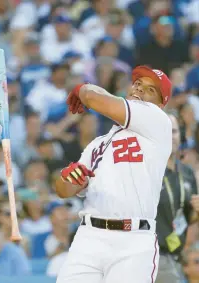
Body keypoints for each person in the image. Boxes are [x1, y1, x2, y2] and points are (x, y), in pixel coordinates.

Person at [55, 65, 173, 282]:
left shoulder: (157, 121)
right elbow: (64, 191)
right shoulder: (97, 144)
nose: (139, 90)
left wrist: (83, 88)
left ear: (160, 103)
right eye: (137, 84)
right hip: (89, 236)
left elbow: (93, 98)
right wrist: (69, 177)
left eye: (150, 90)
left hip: (133, 240)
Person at [155, 113, 199, 283]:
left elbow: (187, 217)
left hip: (174, 254)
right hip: (150, 255)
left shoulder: (187, 173)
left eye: (174, 131)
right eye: (164, 131)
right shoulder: (147, 170)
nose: (170, 137)